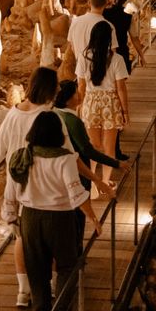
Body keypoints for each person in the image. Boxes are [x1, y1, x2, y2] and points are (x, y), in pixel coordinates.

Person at [5, 111, 101, 311]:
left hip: (29, 218)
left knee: (36, 268)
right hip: (60, 218)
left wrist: (11, 218)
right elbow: (76, 193)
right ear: (58, 133)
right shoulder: (65, 158)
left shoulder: (21, 156)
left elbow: (11, 191)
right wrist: (94, 218)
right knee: (68, 265)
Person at [0, 66, 60, 308]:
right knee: (48, 235)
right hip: (44, 183)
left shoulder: (13, 114)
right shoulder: (48, 115)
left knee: (22, 236)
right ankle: (51, 285)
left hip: (17, 181)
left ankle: (23, 292)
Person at [54, 80, 121, 249]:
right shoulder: (73, 121)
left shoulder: (54, 114)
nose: (80, 95)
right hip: (77, 171)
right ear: (69, 98)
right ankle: (77, 253)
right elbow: (87, 150)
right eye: (76, 92)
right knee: (78, 216)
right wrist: (116, 163)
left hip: (57, 175)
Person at [80, 21, 129, 187]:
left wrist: (80, 107)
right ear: (109, 39)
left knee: (92, 147)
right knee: (109, 149)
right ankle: (105, 182)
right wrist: (125, 112)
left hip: (90, 101)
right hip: (110, 103)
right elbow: (121, 89)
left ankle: (93, 184)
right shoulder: (117, 59)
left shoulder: (84, 57)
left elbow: (81, 86)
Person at [103, 0, 146, 160]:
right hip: (120, 56)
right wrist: (141, 55)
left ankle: (111, 137)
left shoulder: (104, 14)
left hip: (105, 57)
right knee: (117, 93)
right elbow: (134, 38)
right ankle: (116, 140)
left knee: (110, 92)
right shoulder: (128, 17)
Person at [66, 0, 118, 84]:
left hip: (81, 71)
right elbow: (113, 52)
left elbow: (72, 46)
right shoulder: (108, 26)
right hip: (102, 75)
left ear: (89, 3)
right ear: (106, 4)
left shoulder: (75, 22)